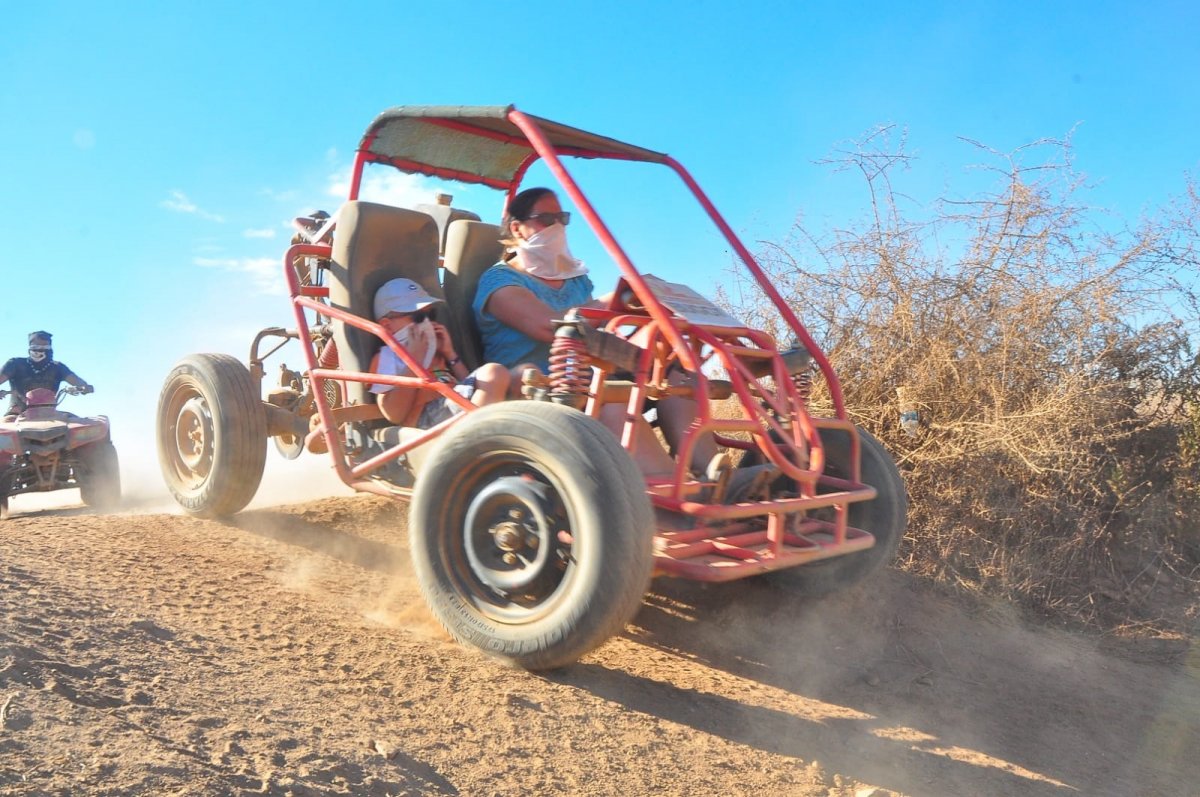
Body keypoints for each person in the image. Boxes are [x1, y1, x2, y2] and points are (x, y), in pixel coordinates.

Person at [473, 187, 729, 487]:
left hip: (586, 380)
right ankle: (677, 489)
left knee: (672, 378)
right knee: (613, 399)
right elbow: (549, 327)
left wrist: (649, 310)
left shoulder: (576, 281)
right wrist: (617, 299)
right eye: (545, 218)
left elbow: (601, 331)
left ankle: (715, 474)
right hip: (531, 385)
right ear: (516, 228)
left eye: (562, 217)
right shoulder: (500, 281)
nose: (556, 226)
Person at [369, 278, 509, 427]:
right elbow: (394, 414)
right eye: (418, 317)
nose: (426, 323)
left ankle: (480, 432)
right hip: (424, 417)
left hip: (452, 403)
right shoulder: (386, 357)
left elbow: (468, 386)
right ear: (387, 325)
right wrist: (414, 360)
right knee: (494, 372)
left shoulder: (434, 350)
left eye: (430, 315)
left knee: (521, 373)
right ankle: (472, 438)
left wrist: (450, 354)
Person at [0, 331, 92, 420]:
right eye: (36, 346)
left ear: (50, 348)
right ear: (30, 347)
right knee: (4, 431)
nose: (40, 349)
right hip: (16, 412)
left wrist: (85, 387)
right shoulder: (15, 364)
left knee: (82, 427)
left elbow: (78, 382)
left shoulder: (58, 367)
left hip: (49, 414)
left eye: (44, 346)